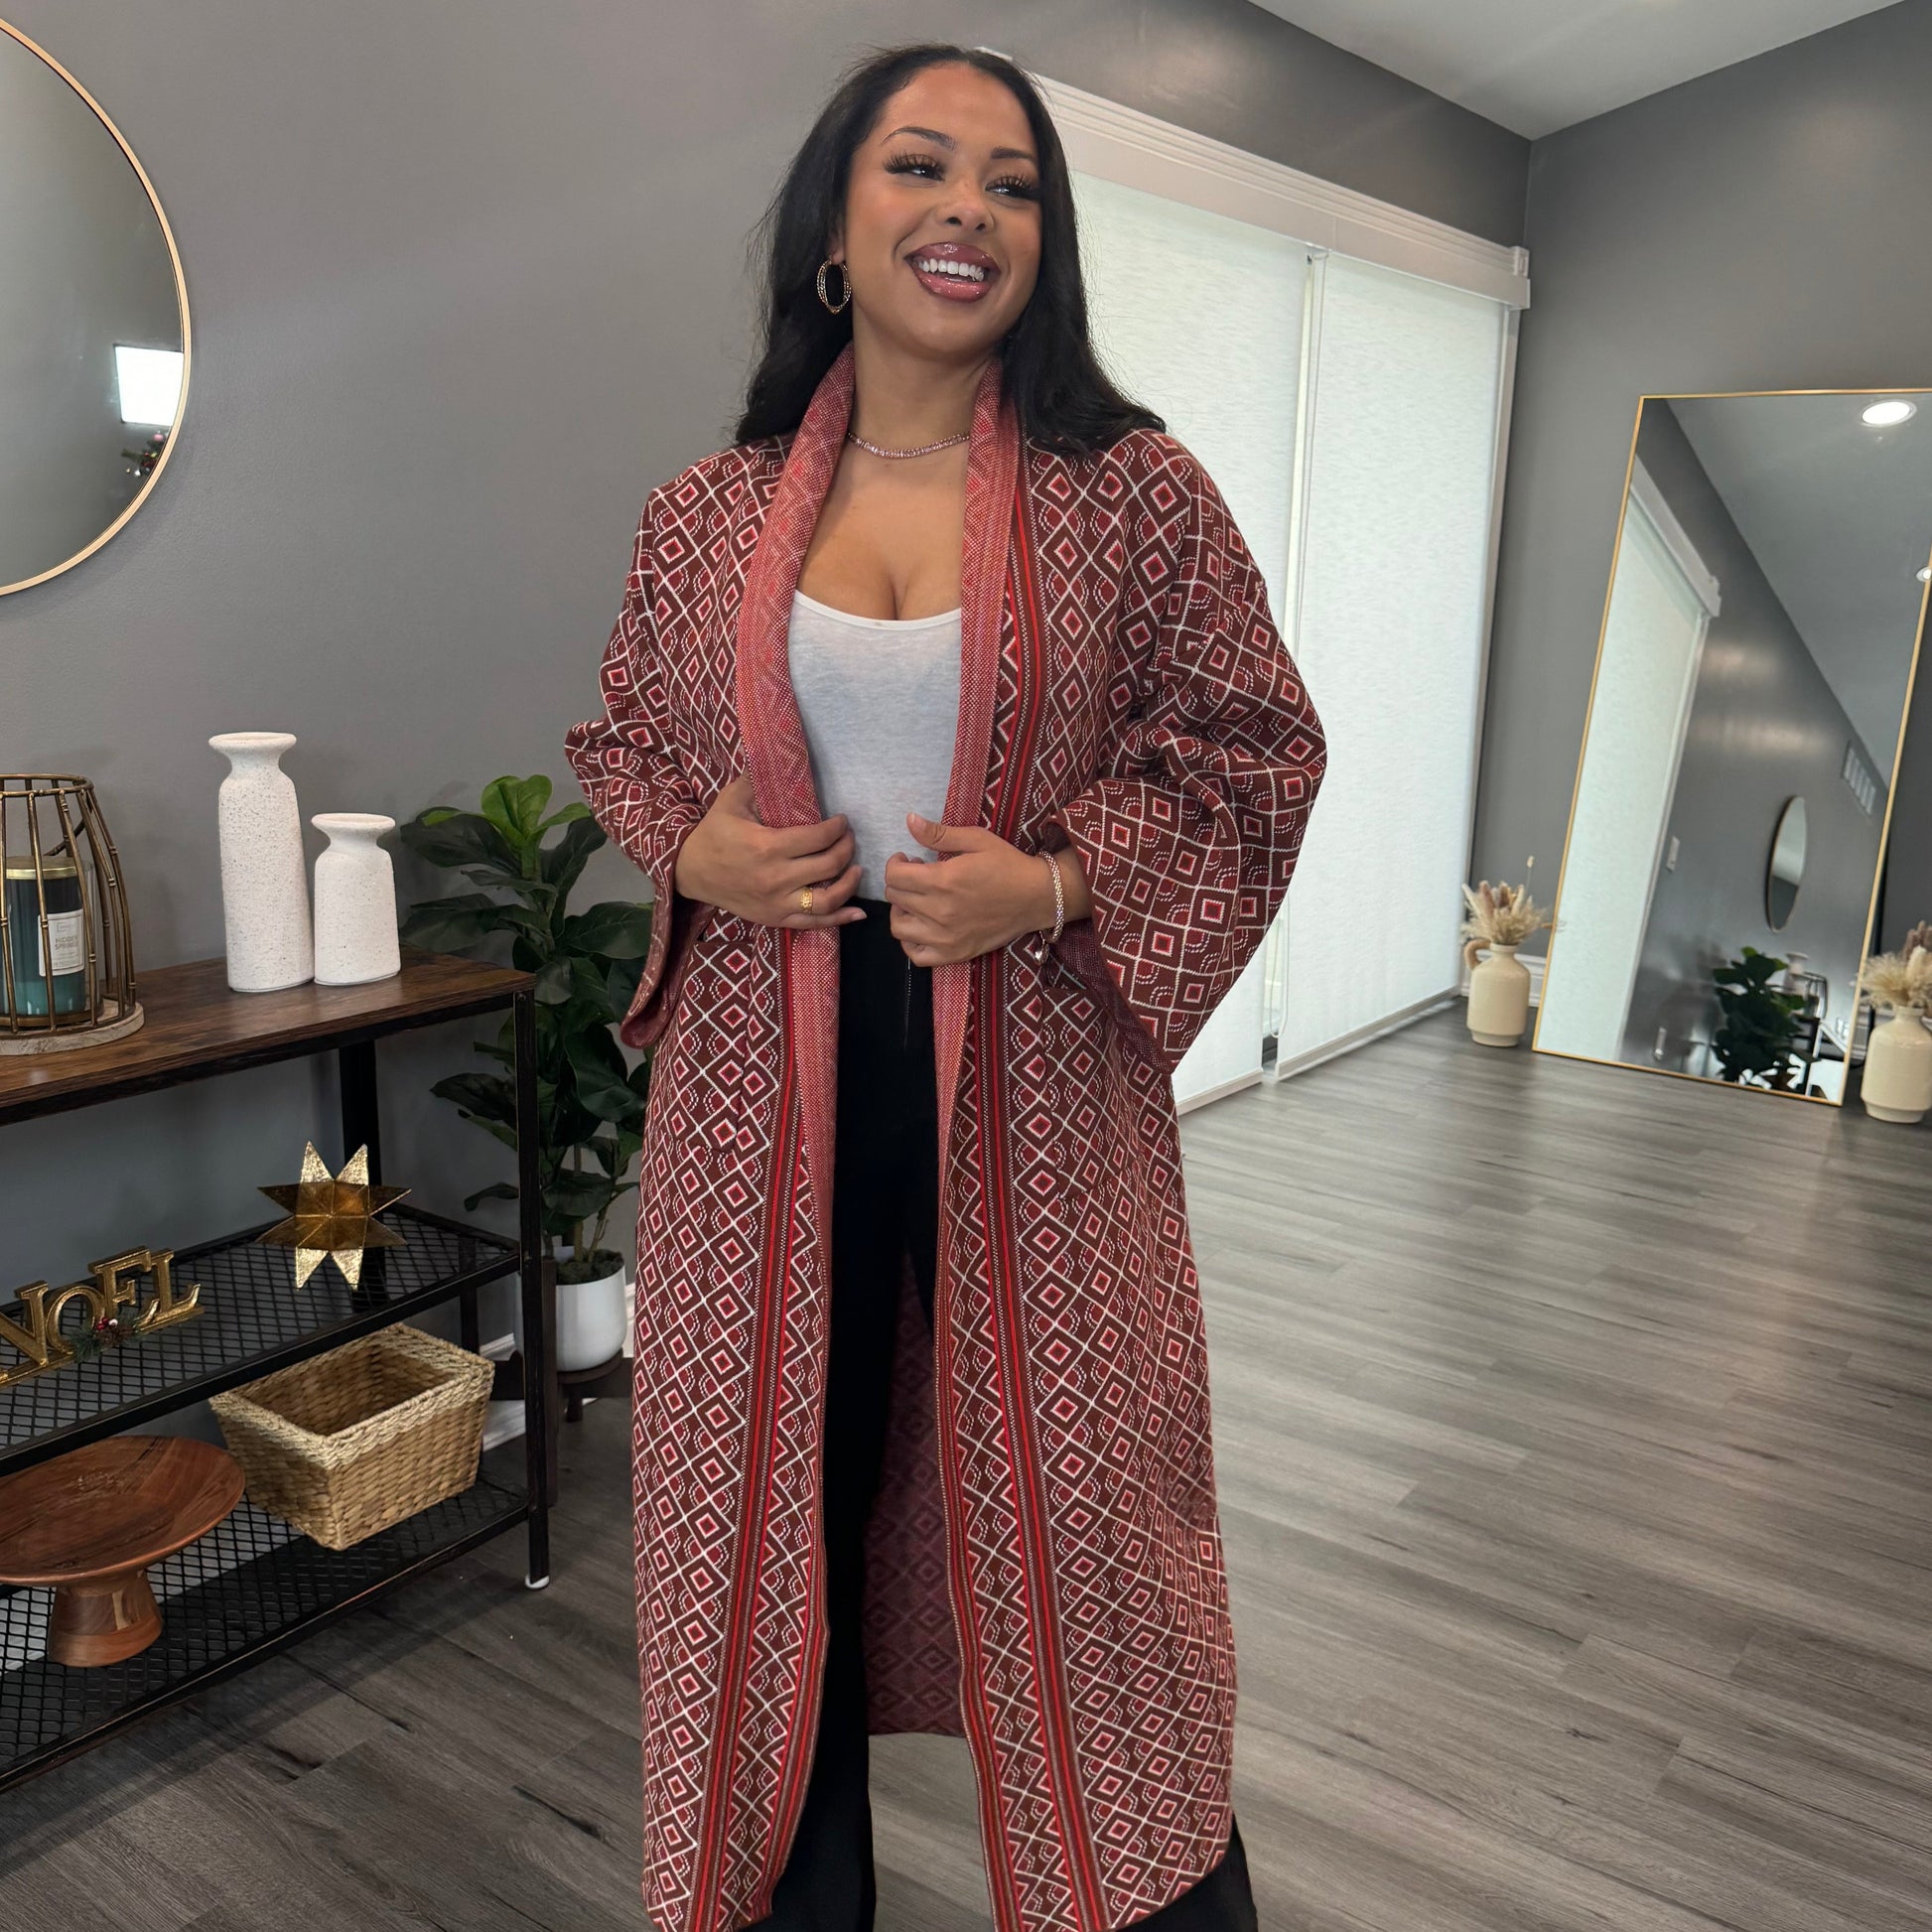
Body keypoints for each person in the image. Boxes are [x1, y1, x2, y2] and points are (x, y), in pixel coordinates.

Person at [564, 42, 1327, 1932]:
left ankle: (1150, 1896)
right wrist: (700, 852)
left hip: (1044, 1089)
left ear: (1041, 240)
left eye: (1010, 181)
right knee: (771, 1528)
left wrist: (1056, 880)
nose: (965, 211)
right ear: (839, 219)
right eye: (920, 168)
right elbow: (629, 741)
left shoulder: (1134, 497)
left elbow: (1255, 748)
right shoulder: (702, 513)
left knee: (1091, 1540)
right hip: (768, 1096)